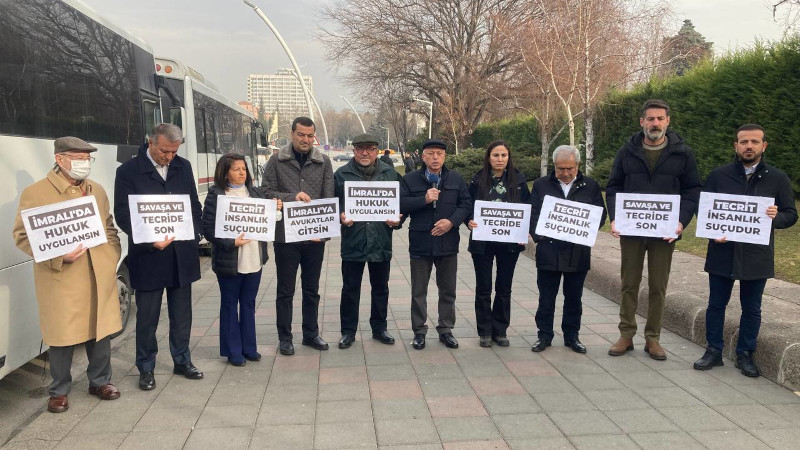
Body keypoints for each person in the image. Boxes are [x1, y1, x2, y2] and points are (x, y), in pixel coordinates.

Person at [13, 137, 122, 413]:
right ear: (59, 159)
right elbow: (22, 236)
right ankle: (59, 390)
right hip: (62, 277)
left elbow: (109, 227)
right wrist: (58, 257)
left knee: (100, 331)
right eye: (78, 158)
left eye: (87, 158)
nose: (84, 163)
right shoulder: (36, 193)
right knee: (62, 335)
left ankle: (100, 381)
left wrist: (111, 256)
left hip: (98, 272)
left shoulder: (96, 190)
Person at [693, 124, 797, 377]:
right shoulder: (718, 175)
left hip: (756, 255)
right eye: (743, 142)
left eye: (754, 142)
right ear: (736, 146)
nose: (749, 146)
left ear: (764, 146)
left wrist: (775, 217)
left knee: (752, 308)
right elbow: (704, 210)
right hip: (722, 252)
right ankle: (713, 351)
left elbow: (791, 215)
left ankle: (745, 354)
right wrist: (712, 232)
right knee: (716, 304)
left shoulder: (777, 178)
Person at [605, 99, 702, 360]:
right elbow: (613, 187)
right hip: (632, 230)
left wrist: (681, 221)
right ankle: (626, 334)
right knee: (629, 283)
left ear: (668, 121)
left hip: (664, 232)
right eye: (650, 119)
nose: (655, 123)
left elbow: (692, 190)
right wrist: (615, 217)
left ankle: (653, 338)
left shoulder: (683, 153)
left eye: (660, 118)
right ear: (642, 122)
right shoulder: (626, 151)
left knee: (658, 285)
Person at [114, 123, 204, 390]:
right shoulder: (128, 171)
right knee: (147, 317)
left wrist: (196, 233)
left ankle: (182, 360)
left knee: (182, 315)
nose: (169, 157)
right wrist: (149, 239)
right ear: (150, 142)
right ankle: (146, 367)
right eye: (165, 151)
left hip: (181, 254)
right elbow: (123, 214)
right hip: (148, 256)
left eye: (174, 152)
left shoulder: (183, 166)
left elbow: (193, 204)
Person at [262, 116, 334, 356]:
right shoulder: (276, 161)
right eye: (301, 134)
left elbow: (328, 197)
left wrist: (324, 233)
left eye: (310, 135)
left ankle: (311, 334)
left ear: (314, 137)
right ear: (292, 134)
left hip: (314, 238)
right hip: (286, 237)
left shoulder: (323, 162)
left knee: (312, 289)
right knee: (285, 290)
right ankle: (285, 337)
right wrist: (292, 197)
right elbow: (265, 192)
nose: (305, 139)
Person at [202, 154, 282, 366]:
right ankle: (233, 351)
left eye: (244, 169)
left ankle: (249, 347)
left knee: (248, 304)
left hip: (254, 259)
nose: (241, 173)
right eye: (236, 169)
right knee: (230, 304)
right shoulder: (216, 195)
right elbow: (208, 229)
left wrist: (276, 210)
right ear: (224, 173)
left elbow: (269, 221)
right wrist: (230, 242)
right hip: (230, 260)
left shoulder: (256, 193)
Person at [529, 145, 607, 353]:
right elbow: (532, 213)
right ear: (554, 165)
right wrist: (539, 235)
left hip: (577, 252)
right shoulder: (541, 185)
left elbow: (600, 215)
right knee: (546, 298)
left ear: (577, 165)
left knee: (574, 298)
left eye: (569, 168)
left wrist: (584, 229)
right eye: (560, 168)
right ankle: (544, 335)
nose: (565, 173)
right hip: (548, 251)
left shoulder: (590, 186)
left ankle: (572, 336)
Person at [400, 139, 471, 350]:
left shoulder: (455, 179)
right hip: (420, 243)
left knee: (448, 290)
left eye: (439, 153)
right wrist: (424, 199)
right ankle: (419, 331)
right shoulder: (410, 179)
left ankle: (446, 329)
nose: (435, 157)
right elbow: (401, 203)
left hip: (447, 242)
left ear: (445, 157)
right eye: (431, 153)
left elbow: (465, 204)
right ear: (423, 156)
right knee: (418, 291)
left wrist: (452, 222)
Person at [334, 133, 402, 349]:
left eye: (370, 149)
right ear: (354, 151)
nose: (365, 152)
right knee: (350, 289)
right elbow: (332, 204)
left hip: (381, 241)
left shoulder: (390, 173)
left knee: (380, 288)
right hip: (353, 241)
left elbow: (400, 204)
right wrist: (340, 216)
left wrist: (398, 220)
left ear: (377, 151)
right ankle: (348, 331)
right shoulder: (341, 174)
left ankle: (379, 328)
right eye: (360, 148)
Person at [466, 140, 530, 347]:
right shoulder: (477, 180)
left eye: (503, 155)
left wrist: (524, 228)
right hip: (483, 242)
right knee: (483, 287)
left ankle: (500, 330)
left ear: (509, 157)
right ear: (488, 157)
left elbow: (528, 207)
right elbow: (467, 204)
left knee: (504, 287)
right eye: (496, 155)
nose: (500, 159)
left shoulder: (519, 180)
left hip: (509, 243)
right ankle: (484, 331)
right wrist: (469, 220)